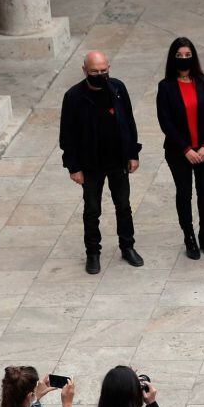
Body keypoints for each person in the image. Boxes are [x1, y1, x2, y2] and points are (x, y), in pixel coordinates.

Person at [59, 51, 143, 275]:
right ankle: (93, 253)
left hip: (117, 161)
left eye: (103, 71)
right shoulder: (74, 96)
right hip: (90, 164)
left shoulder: (117, 89)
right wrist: (73, 167)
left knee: (123, 206)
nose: (99, 75)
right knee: (92, 209)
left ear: (109, 68)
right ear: (85, 70)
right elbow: (67, 135)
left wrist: (133, 153)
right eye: (94, 71)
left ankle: (127, 247)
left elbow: (129, 121)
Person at [156, 37, 204, 260]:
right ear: (173, 59)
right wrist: (186, 149)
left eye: (187, 55)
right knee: (184, 194)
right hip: (179, 153)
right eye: (179, 56)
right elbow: (166, 122)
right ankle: (189, 237)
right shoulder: (165, 87)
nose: (184, 59)